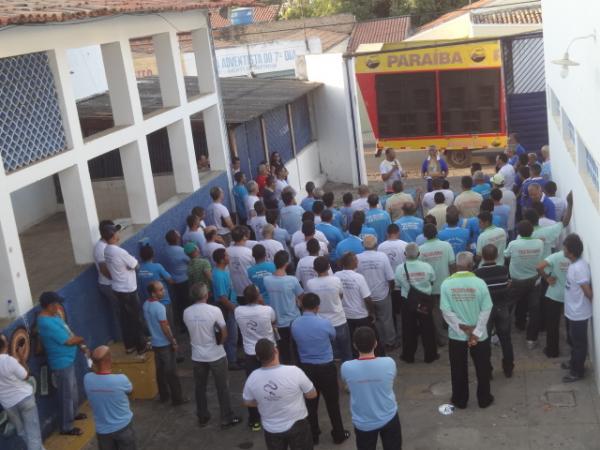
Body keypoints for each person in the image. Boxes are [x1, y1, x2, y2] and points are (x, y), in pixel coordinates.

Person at [291, 294, 350, 445]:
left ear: (302, 306)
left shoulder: (295, 323)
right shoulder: (325, 323)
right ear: (317, 307)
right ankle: (338, 433)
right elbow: (332, 337)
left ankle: (314, 435)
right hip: (326, 367)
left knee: (311, 403)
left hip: (306, 368)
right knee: (332, 403)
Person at [183, 282, 241, 428]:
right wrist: (220, 344)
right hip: (216, 355)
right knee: (222, 387)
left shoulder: (187, 312)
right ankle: (226, 417)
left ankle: (202, 416)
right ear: (206, 295)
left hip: (197, 355)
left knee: (200, 387)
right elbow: (224, 332)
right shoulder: (214, 310)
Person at [440, 252, 494, 409]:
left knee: (458, 368)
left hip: (457, 336)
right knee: (482, 367)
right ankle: (484, 399)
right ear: (472, 266)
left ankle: (460, 399)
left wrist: (462, 328)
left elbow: (446, 311)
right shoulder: (480, 283)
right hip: (479, 336)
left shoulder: (446, 284)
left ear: (457, 266)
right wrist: (476, 332)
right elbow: (486, 309)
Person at [243, 339, 317, 450]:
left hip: (271, 429)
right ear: (276, 351)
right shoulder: (294, 371)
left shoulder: (253, 377)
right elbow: (312, 394)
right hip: (297, 424)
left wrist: (265, 401)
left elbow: (247, 401)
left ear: (257, 357)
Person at [341, 327, 401, 450]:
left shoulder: (347, 367)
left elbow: (347, 384)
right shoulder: (389, 363)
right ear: (375, 343)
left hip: (363, 422)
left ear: (355, 346)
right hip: (389, 416)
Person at [37, 292, 88, 436]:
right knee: (66, 395)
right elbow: (68, 340)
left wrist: (80, 344)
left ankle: (74, 413)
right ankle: (67, 427)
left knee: (72, 391)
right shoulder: (46, 323)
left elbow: (68, 331)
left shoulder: (55, 316)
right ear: (49, 306)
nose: (59, 306)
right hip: (61, 363)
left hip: (68, 359)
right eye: (56, 304)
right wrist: (82, 340)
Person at [235, 285, 277, 431]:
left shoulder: (238, 311)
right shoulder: (267, 310)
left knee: (252, 385)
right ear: (258, 296)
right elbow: (273, 320)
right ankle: (273, 414)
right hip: (269, 351)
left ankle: (255, 420)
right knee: (273, 383)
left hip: (250, 353)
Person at [103, 226, 148, 354]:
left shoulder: (106, 250)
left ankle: (129, 346)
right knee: (136, 318)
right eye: (117, 232)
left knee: (125, 319)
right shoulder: (119, 252)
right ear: (113, 237)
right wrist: (130, 267)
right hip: (128, 289)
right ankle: (141, 347)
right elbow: (136, 265)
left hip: (118, 288)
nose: (119, 233)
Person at [84, 346, 136, 450]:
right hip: (124, 427)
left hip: (103, 432)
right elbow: (130, 391)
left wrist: (88, 356)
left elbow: (92, 369)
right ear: (109, 359)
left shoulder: (87, 379)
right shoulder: (121, 379)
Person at [504, 220, 544, 349]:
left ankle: (501, 333)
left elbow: (506, 255)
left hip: (516, 282)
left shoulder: (513, 244)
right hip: (534, 281)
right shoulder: (539, 243)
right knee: (534, 310)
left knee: (507, 307)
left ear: (518, 233)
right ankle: (531, 340)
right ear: (532, 231)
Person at [143, 281, 184, 405]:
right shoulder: (160, 308)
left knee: (160, 371)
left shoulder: (145, 305)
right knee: (172, 372)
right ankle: (177, 398)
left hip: (155, 343)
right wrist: (173, 341)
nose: (163, 291)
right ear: (153, 293)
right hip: (164, 344)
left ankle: (164, 396)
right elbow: (165, 327)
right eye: (160, 290)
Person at [0, 334, 44, 450]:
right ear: (6, 345)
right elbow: (25, 376)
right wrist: (22, 359)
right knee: (34, 435)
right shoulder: (10, 361)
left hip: (8, 405)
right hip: (25, 399)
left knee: (22, 432)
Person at [474, 245, 513, 377]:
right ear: (496, 256)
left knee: (485, 341)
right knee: (506, 339)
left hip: (486, 310)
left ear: (483, 257)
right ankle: (508, 368)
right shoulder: (503, 270)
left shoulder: (477, 273)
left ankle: (487, 370)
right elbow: (508, 284)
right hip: (501, 307)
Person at [395, 243, 437, 363]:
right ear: (419, 254)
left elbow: (397, 285)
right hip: (424, 300)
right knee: (428, 328)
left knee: (408, 329)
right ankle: (430, 355)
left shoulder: (399, 268)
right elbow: (432, 280)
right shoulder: (427, 267)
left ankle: (408, 356)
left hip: (407, 301)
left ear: (405, 254)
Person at [306, 257, 353, 362]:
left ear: (314, 269)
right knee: (346, 351)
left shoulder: (310, 283)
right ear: (328, 267)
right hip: (339, 319)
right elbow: (340, 295)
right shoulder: (336, 280)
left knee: (327, 351)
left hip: (321, 321)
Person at [561, 234, 593, 382]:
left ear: (571, 252)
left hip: (579, 314)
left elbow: (587, 292)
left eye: (565, 248)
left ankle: (577, 371)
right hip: (572, 312)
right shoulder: (574, 265)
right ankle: (574, 362)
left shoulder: (579, 268)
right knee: (573, 341)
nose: (563, 250)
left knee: (579, 344)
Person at [264, 251, 304, 364]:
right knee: (297, 349)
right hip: (293, 319)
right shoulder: (292, 280)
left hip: (276, 321)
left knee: (283, 350)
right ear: (286, 263)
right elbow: (301, 296)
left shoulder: (266, 280)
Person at [357, 235, 396, 351]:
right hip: (382, 293)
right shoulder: (382, 256)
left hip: (366, 296)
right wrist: (390, 290)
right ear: (376, 245)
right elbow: (390, 278)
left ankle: (377, 342)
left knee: (373, 320)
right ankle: (390, 342)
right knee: (386, 319)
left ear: (363, 245)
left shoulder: (357, 258)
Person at [418, 224, 455, 346]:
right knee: (448, 309)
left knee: (435, 313)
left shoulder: (421, 249)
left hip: (430, 287)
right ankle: (451, 333)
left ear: (424, 235)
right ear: (437, 233)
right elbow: (452, 265)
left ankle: (440, 337)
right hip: (446, 284)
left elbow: (421, 271)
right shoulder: (446, 246)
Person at [335, 252, 376, 351]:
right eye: (356, 260)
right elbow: (367, 298)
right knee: (370, 337)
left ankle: (354, 356)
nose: (358, 262)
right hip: (360, 314)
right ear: (353, 263)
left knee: (351, 339)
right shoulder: (358, 277)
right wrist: (372, 312)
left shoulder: (336, 275)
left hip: (345, 315)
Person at [537, 248, 570, 358]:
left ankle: (552, 351)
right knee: (570, 322)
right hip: (571, 295)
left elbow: (539, 267)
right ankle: (571, 345)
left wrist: (547, 278)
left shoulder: (556, 256)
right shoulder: (577, 258)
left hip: (554, 294)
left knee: (552, 324)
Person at [211, 248, 240, 369]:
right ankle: (231, 361)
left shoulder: (222, 271)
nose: (229, 257)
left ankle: (233, 357)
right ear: (222, 260)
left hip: (230, 306)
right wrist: (235, 309)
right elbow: (223, 298)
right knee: (231, 335)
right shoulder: (218, 275)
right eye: (227, 256)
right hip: (227, 308)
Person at [93, 220, 121, 341]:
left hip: (112, 283)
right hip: (109, 285)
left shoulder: (108, 245)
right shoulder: (100, 248)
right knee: (120, 313)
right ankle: (122, 338)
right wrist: (118, 279)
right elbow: (104, 269)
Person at [164, 229, 191, 331]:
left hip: (174, 280)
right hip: (184, 280)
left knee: (179, 302)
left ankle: (181, 324)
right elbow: (189, 261)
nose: (180, 237)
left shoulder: (166, 250)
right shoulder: (181, 250)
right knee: (186, 302)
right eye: (178, 236)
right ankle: (187, 324)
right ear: (176, 239)